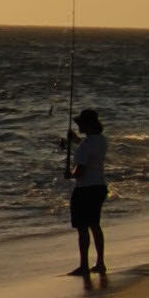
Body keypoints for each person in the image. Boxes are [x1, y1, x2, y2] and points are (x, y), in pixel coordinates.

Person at [63, 106, 109, 280]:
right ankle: (100, 263)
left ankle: (84, 266)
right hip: (99, 186)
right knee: (95, 225)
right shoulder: (101, 141)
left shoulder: (85, 146)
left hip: (85, 189)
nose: (79, 126)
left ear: (88, 125)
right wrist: (75, 141)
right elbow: (88, 149)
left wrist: (70, 175)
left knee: (82, 228)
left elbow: (80, 171)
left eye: (81, 123)